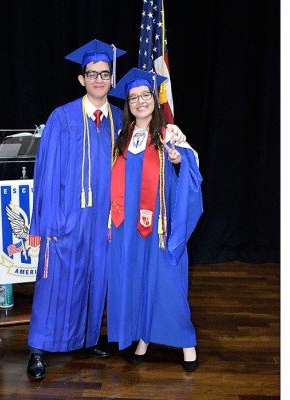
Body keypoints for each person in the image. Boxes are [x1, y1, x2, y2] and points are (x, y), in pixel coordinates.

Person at [26, 40, 188, 380]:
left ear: (112, 79)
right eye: (92, 73)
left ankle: (85, 339)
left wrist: (174, 143)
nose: (99, 78)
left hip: (105, 220)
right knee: (55, 281)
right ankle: (38, 348)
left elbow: (145, 161)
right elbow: (46, 172)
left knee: (94, 279)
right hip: (67, 218)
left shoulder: (120, 121)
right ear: (82, 79)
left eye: (104, 73)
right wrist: (49, 220)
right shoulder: (62, 117)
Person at [106, 68, 203, 372]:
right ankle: (143, 338)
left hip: (158, 226)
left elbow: (189, 165)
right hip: (128, 229)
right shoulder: (122, 138)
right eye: (133, 98)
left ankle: (187, 342)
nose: (139, 101)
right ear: (128, 104)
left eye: (145, 95)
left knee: (166, 283)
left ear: (154, 98)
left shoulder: (168, 133)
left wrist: (178, 159)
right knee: (138, 280)